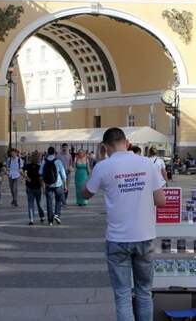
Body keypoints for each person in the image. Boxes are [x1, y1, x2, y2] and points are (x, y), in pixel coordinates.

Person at [82, 128, 166, 321]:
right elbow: (161, 201)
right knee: (144, 293)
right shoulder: (146, 164)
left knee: (122, 296)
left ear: (105, 147)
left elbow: (85, 193)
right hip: (144, 235)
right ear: (127, 142)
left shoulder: (103, 166)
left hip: (118, 238)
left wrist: (98, 159)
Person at [40, 146, 67, 225]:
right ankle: (57, 215)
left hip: (48, 185)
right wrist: (65, 185)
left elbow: (41, 173)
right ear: (55, 152)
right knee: (58, 200)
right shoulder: (58, 161)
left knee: (49, 202)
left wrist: (43, 187)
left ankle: (50, 220)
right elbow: (63, 175)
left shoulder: (44, 161)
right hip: (58, 184)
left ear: (47, 153)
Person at [23, 152, 45, 225]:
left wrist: (27, 178)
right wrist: (43, 188)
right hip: (37, 187)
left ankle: (31, 219)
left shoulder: (27, 166)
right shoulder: (40, 166)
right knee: (39, 204)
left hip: (30, 187)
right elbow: (41, 178)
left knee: (30, 204)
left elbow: (24, 172)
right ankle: (41, 217)